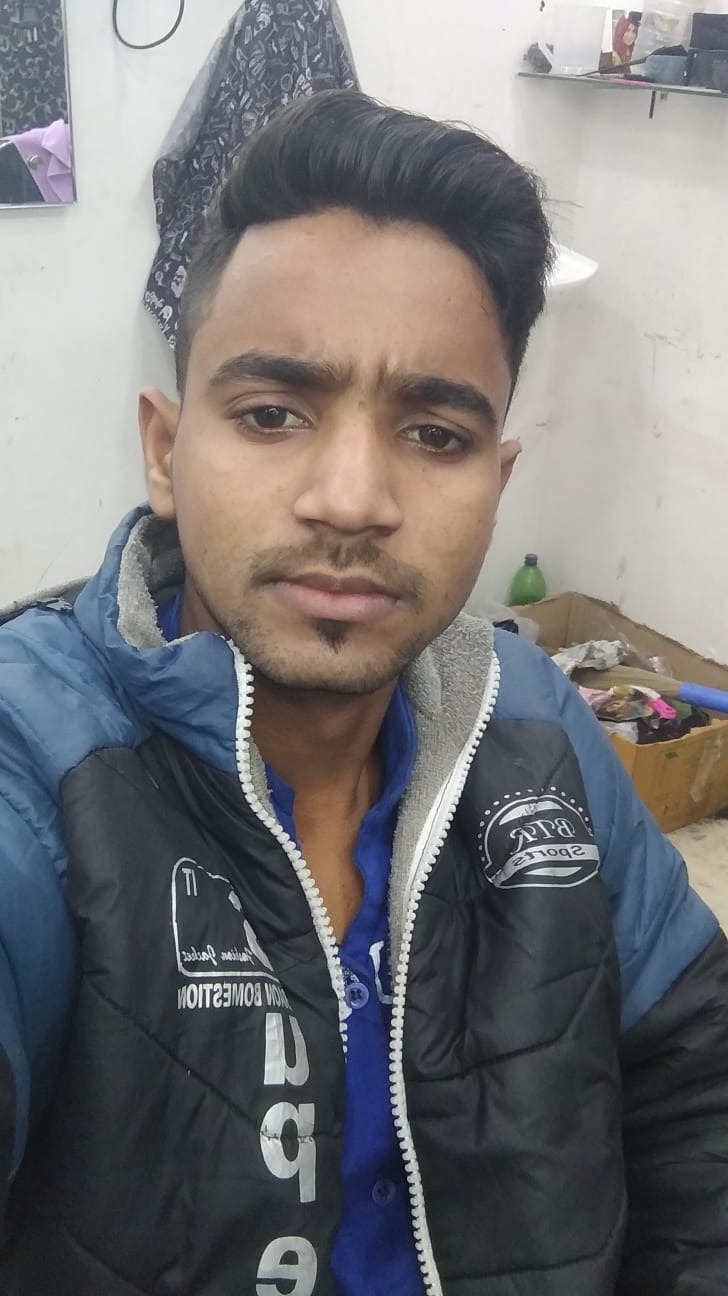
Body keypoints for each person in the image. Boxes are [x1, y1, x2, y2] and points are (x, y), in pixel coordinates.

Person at [0, 90, 727, 1296]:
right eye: (272, 414)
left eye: (433, 434)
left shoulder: (534, 723)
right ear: (165, 451)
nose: (350, 498)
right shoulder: (37, 765)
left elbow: (697, 1094)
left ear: (497, 480)